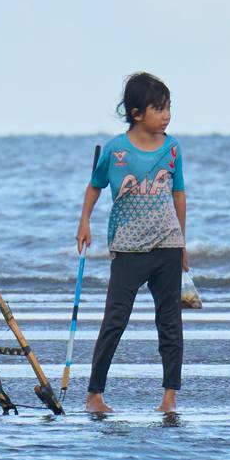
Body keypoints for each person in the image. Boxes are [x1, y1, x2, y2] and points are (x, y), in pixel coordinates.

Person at [75, 71, 189, 416]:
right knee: (115, 320)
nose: (166, 114)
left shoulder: (172, 148)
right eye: (159, 108)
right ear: (137, 113)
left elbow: (179, 193)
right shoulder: (116, 149)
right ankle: (94, 394)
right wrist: (84, 220)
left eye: (168, 107)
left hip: (167, 244)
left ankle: (170, 397)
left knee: (169, 320)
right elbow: (95, 185)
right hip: (127, 249)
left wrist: (182, 241)